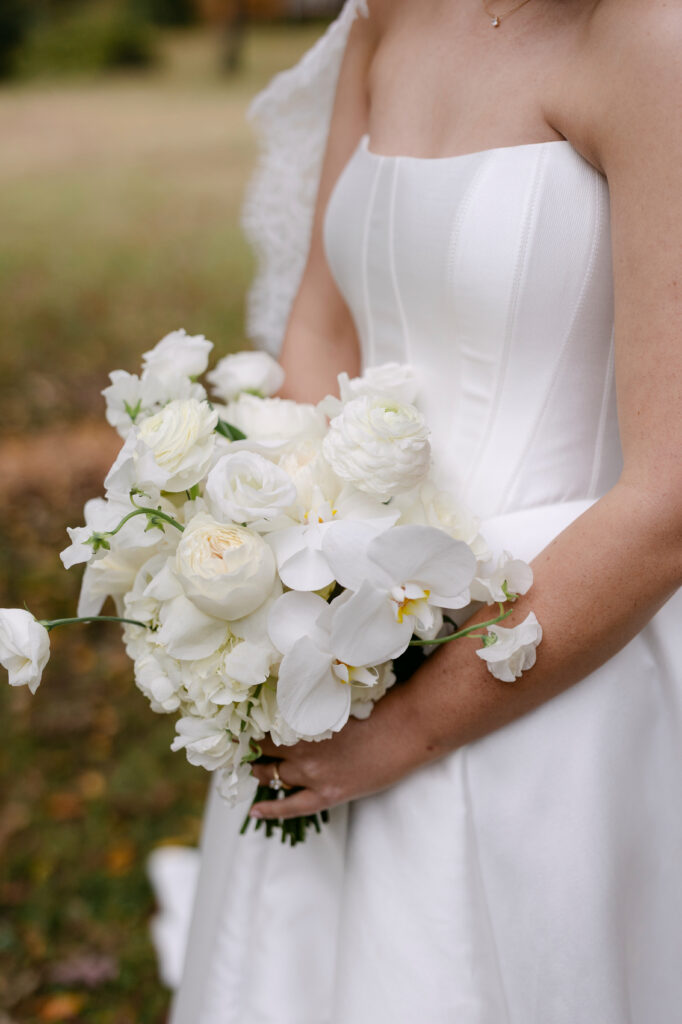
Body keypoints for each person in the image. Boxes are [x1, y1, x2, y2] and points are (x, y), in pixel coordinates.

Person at [169, 1, 682, 1020]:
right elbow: (318, 322)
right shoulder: (385, 15)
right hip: (336, 630)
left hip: (548, 646)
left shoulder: (646, 39)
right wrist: (293, 569)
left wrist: (408, 728)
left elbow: (670, 494)